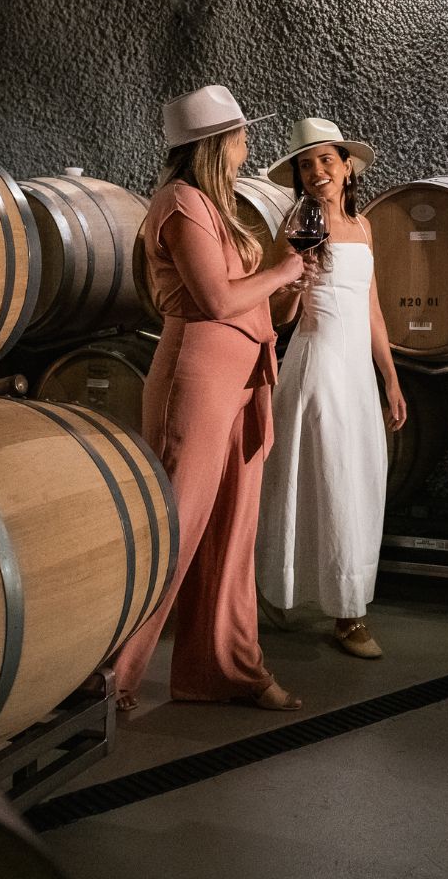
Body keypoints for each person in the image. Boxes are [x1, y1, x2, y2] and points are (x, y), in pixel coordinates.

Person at [107, 85, 306, 712]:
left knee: (231, 528)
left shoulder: (215, 207)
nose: (250, 144)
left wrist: (292, 277)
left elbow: (250, 299)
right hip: (197, 378)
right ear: (217, 143)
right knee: (177, 526)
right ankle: (109, 678)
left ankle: (220, 669)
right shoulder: (179, 201)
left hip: (242, 378)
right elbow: (217, 301)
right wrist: (282, 270)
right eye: (242, 134)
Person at [255, 117, 406, 658]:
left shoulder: (363, 227)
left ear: (346, 167)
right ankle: (348, 616)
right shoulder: (298, 222)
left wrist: (389, 378)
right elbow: (278, 312)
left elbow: (371, 309)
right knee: (331, 480)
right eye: (305, 163)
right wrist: (295, 283)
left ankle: (332, 594)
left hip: (357, 375)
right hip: (317, 363)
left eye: (325, 160)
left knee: (359, 479)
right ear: (297, 175)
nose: (316, 171)